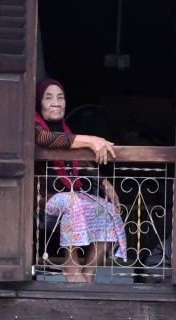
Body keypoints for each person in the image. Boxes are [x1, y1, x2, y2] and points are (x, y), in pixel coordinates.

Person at [36, 79, 127, 283]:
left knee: (107, 210)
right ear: (38, 102)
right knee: (73, 202)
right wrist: (92, 140)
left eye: (60, 97)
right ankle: (71, 267)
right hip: (44, 200)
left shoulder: (67, 130)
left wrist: (105, 184)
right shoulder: (34, 127)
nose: (56, 103)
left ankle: (89, 272)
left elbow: (83, 163)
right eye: (48, 97)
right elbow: (48, 139)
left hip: (71, 196)